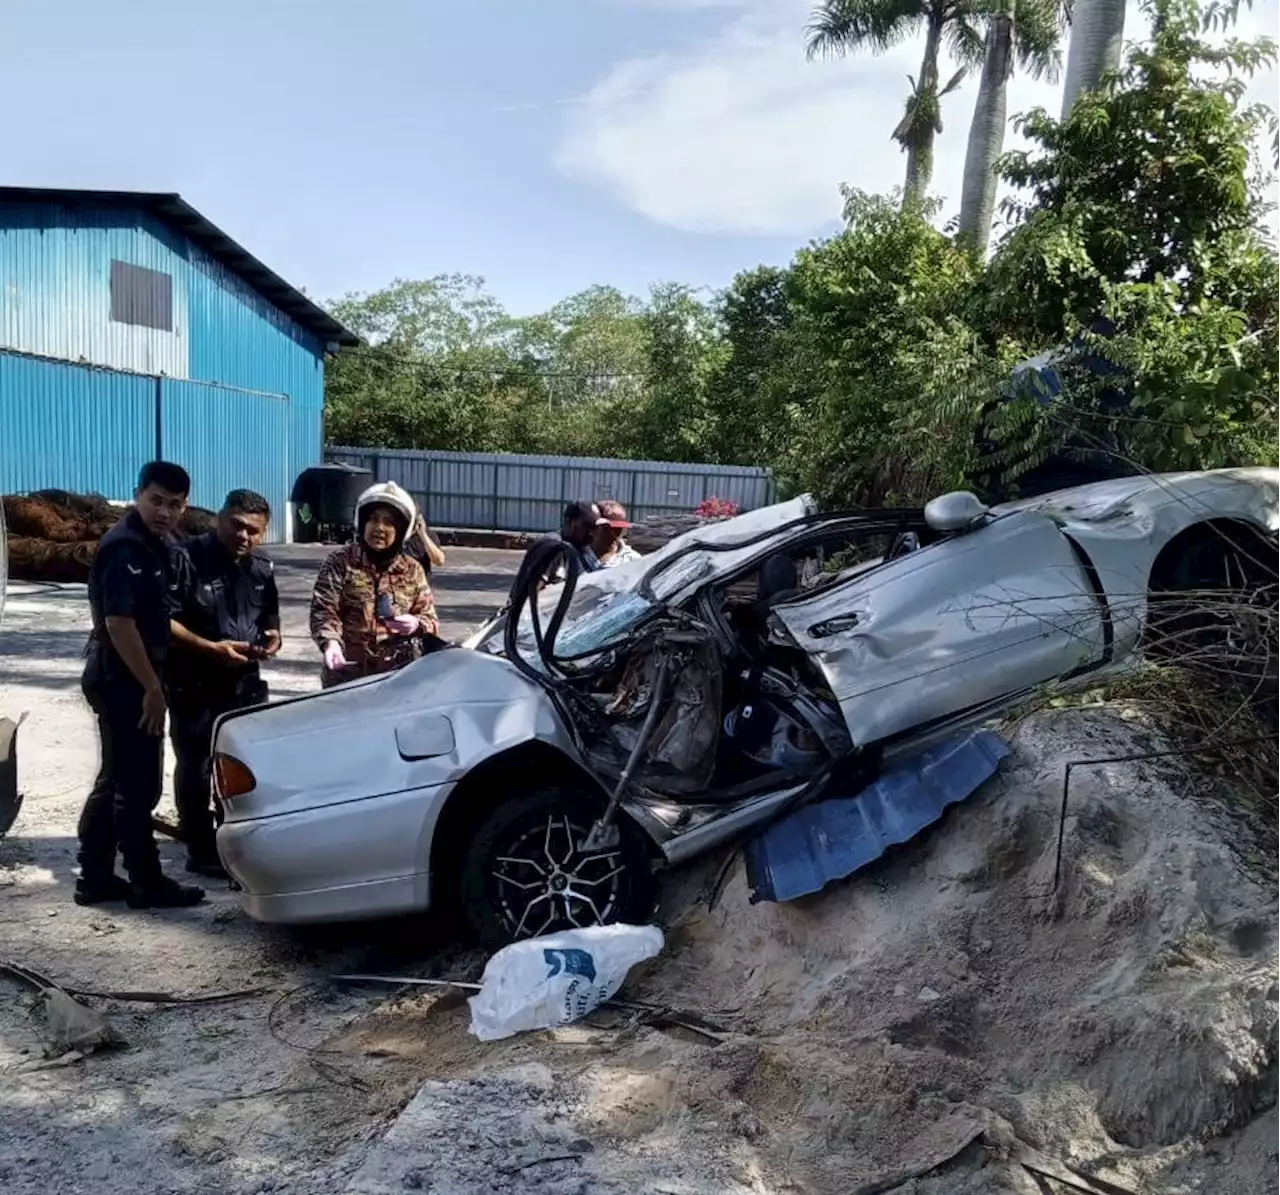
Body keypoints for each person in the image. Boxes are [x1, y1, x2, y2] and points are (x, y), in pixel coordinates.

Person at [76, 461, 205, 909]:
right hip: (123, 678)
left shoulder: (160, 544)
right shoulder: (125, 548)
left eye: (174, 504)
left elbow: (159, 617)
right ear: (137, 496)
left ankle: (94, 877)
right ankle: (146, 883)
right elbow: (119, 624)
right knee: (136, 785)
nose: (164, 512)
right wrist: (152, 687)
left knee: (117, 778)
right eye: (155, 501)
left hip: (133, 675)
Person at [167, 489, 281, 879]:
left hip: (244, 685)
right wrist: (210, 648)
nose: (244, 536)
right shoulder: (185, 558)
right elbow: (165, 621)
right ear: (220, 517)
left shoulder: (261, 569)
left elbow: (270, 615)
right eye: (237, 525)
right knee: (196, 767)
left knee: (240, 767)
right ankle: (200, 850)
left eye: (254, 530)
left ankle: (234, 841)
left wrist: (272, 637)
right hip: (194, 683)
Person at [310, 481, 439, 688]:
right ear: (362, 523)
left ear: (401, 530)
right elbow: (324, 610)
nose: (380, 528)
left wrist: (416, 624)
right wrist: (330, 643)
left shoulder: (413, 569)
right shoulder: (340, 562)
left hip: (396, 680)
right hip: (345, 676)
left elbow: (430, 619)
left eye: (389, 522)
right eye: (373, 519)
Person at [591, 500, 641, 568]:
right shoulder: (581, 555)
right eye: (608, 529)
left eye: (619, 529)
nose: (614, 534)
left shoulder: (632, 559)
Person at [403, 511, 446, 576]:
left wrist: (423, 535)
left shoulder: (428, 535)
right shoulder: (394, 535)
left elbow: (439, 561)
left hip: (419, 582)